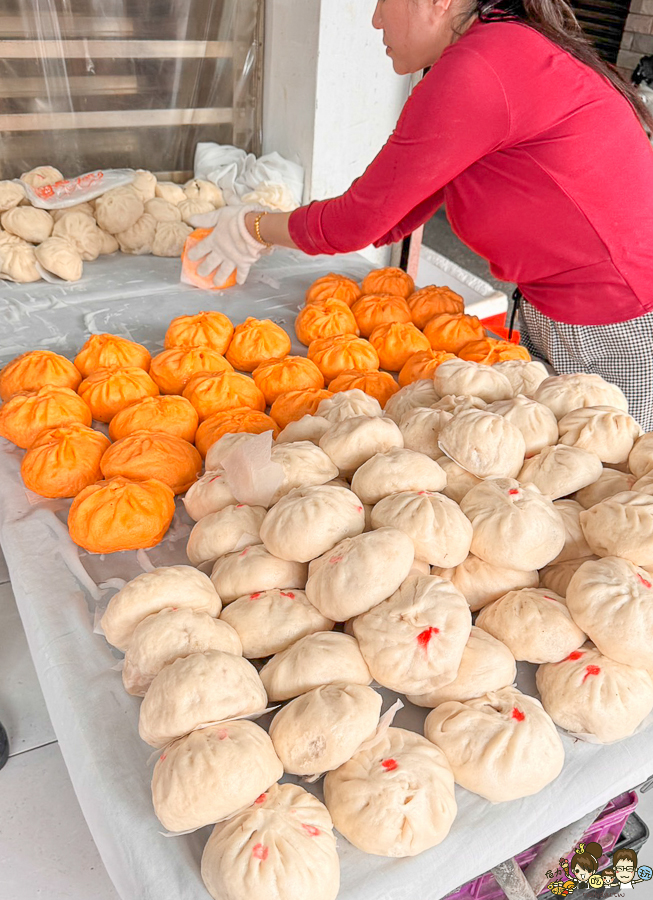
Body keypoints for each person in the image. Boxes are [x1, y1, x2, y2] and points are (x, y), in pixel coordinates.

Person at [188, 0, 653, 429]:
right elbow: (395, 212)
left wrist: (252, 227)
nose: (375, 19)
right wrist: (264, 228)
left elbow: (358, 221)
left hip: (615, 327)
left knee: (612, 484)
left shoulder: (480, 66)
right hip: (576, 311)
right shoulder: (501, 48)